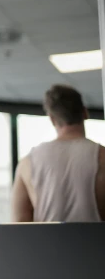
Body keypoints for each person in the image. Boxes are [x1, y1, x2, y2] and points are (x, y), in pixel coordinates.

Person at [11, 84, 105, 223]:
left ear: (52, 118)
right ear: (85, 112)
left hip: (45, 244)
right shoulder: (102, 156)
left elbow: (19, 223)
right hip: (97, 244)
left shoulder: (27, 163)